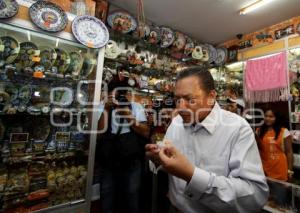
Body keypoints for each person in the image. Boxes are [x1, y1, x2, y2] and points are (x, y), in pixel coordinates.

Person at [146, 67, 269, 212]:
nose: (180, 107)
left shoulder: (237, 129)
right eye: (177, 99)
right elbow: (168, 161)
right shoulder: (177, 123)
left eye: (190, 99)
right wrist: (159, 159)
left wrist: (191, 175)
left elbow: (255, 195)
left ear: (211, 96)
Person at [97, 83, 150, 213]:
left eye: (120, 95)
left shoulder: (136, 107)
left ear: (127, 95)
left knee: (132, 193)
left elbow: (145, 132)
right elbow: (98, 133)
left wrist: (128, 116)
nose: (118, 99)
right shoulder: (103, 107)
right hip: (109, 157)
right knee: (107, 192)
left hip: (131, 157)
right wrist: (105, 110)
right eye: (114, 95)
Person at [256, 108, 294, 181]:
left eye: (271, 117)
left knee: (279, 191)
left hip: (279, 169)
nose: (267, 118)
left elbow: (289, 152)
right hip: (263, 169)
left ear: (276, 118)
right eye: (266, 116)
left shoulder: (284, 131)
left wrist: (290, 170)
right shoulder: (259, 131)